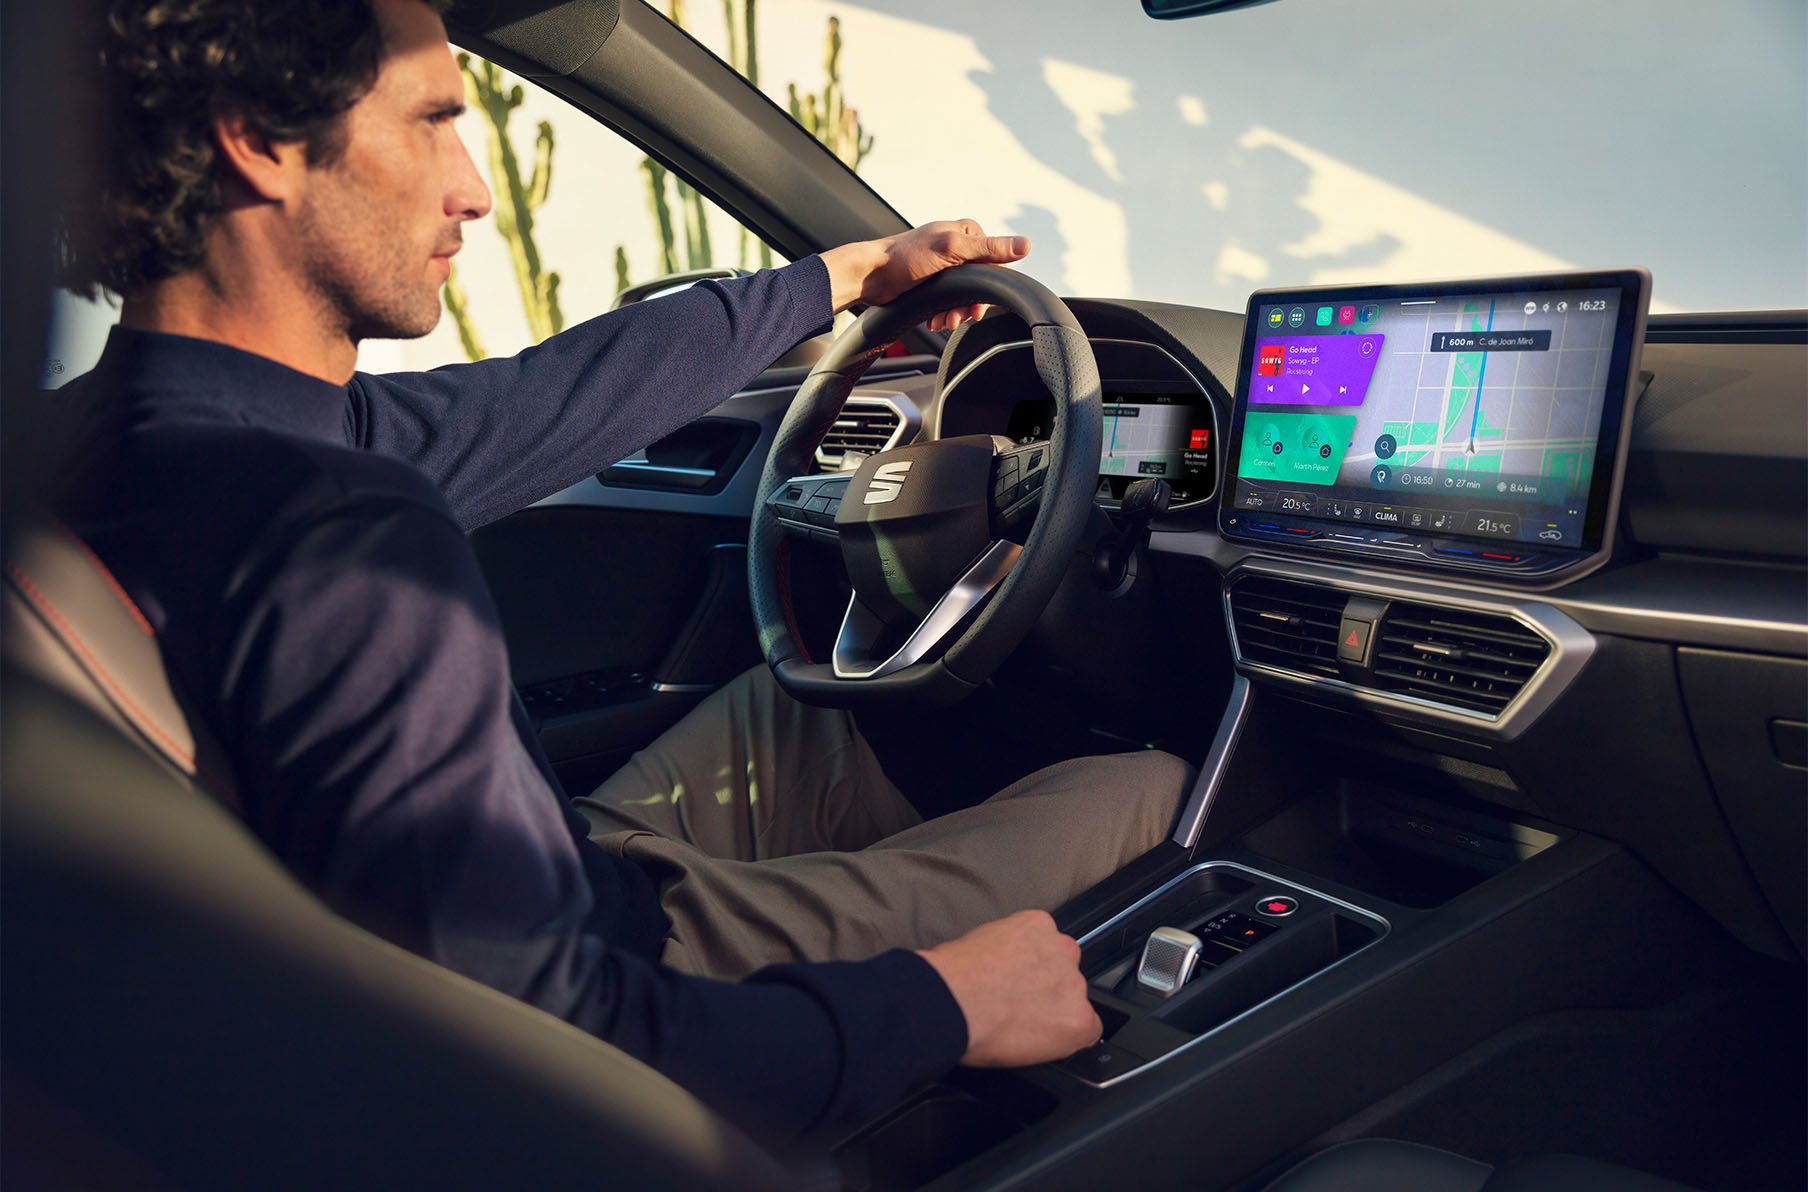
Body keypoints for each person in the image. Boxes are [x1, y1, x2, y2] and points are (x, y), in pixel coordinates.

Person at [51, 0, 1190, 1143]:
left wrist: (836, 275)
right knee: (1146, 787)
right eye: (435, 120)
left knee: (796, 718)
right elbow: (547, 1052)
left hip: (520, 893)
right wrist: (942, 1004)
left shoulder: (111, 445)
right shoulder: (334, 528)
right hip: (641, 984)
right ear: (256, 138)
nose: (473, 188)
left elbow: (546, 400)